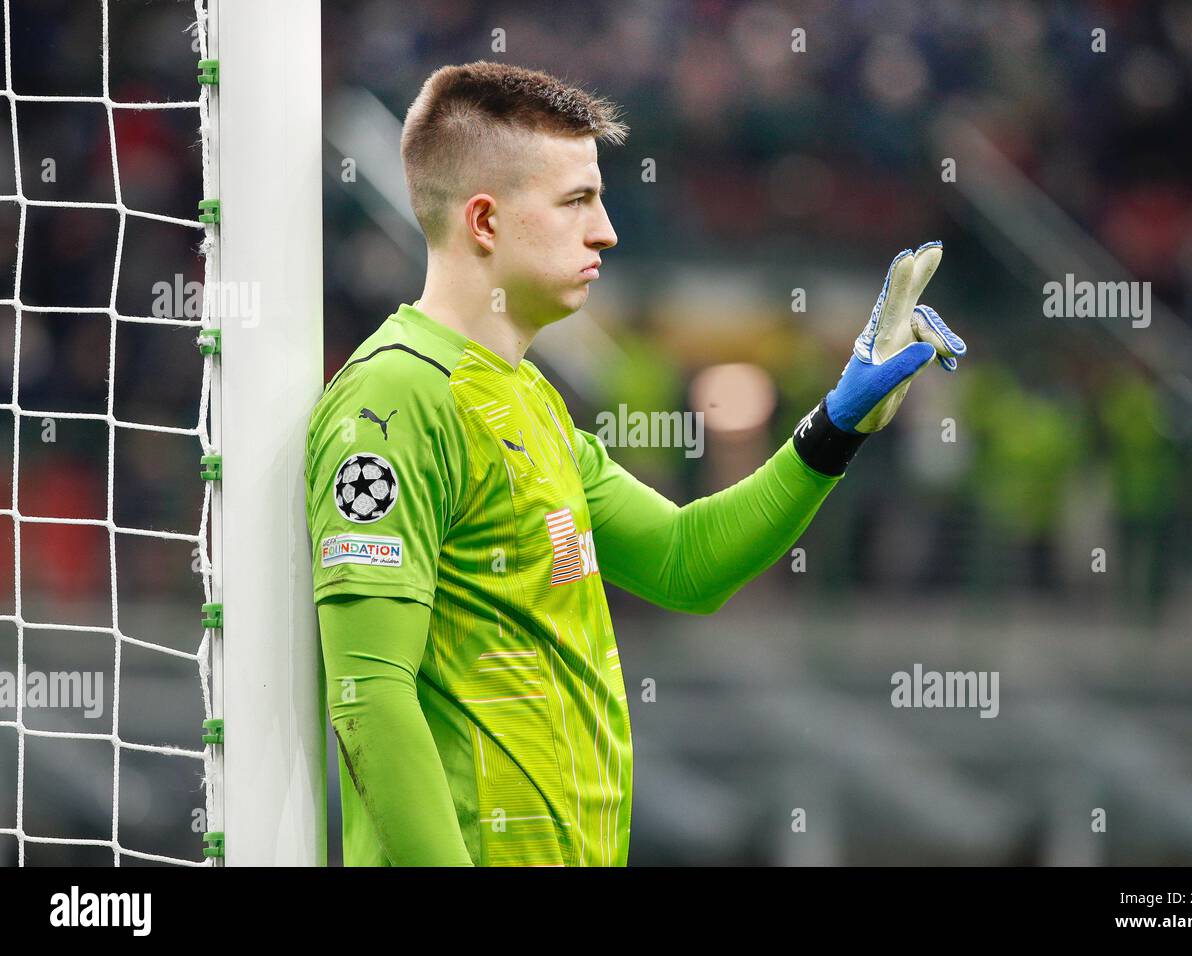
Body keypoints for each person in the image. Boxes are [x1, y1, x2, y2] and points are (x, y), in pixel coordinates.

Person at [304, 60, 964, 866]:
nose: (606, 230)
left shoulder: (528, 401)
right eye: (578, 200)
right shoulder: (395, 398)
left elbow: (688, 563)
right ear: (484, 220)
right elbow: (369, 696)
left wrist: (836, 425)